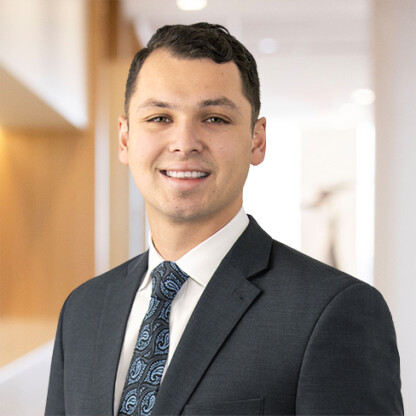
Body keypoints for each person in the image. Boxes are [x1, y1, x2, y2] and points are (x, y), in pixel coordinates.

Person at [45, 23, 403, 416]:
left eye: (214, 118)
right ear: (125, 139)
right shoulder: (82, 310)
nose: (184, 142)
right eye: (160, 117)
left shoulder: (333, 311)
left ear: (257, 140)